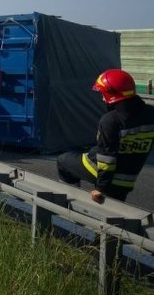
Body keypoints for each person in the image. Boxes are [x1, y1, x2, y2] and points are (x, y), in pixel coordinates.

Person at [57, 69, 154, 203]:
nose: (103, 98)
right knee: (115, 213)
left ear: (112, 94)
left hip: (100, 170)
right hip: (127, 180)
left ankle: (67, 204)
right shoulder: (151, 114)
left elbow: (107, 158)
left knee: (63, 161)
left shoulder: (111, 120)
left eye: (104, 94)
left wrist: (101, 188)